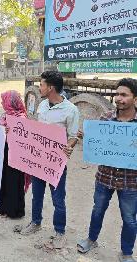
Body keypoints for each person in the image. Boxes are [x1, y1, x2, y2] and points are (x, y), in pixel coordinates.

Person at [77, 78, 137, 262]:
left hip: (131, 181)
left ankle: (126, 253)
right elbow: (99, 146)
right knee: (97, 210)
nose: (118, 98)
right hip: (105, 177)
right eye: (117, 94)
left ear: (135, 98)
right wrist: (88, 138)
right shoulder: (105, 119)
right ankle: (91, 239)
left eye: (124, 95)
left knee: (129, 219)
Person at [18, 71, 79, 250]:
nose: (40, 88)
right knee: (37, 195)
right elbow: (37, 129)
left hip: (56, 163)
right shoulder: (42, 105)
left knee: (58, 199)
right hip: (39, 161)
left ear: (51, 88)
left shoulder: (71, 110)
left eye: (42, 85)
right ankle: (35, 223)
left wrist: (70, 145)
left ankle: (59, 232)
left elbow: (73, 136)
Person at [0, 90, 31, 219]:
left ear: (10, 102)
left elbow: (26, 138)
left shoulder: (21, 118)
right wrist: (0, 130)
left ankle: (14, 210)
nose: (1, 103)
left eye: (4, 100)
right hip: (5, 151)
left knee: (14, 181)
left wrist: (11, 132)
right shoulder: (5, 115)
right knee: (4, 179)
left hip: (16, 154)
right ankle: (3, 206)